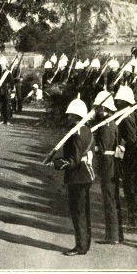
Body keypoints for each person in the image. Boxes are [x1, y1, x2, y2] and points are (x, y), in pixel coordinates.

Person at [50, 97, 95, 256]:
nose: (68, 117)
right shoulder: (87, 129)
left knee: (78, 212)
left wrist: (55, 163)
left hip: (78, 176)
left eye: (71, 115)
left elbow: (73, 161)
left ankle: (81, 246)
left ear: (77, 116)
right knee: (84, 212)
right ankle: (84, 244)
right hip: (86, 175)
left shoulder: (76, 133)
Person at [92, 91, 124, 244]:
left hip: (108, 164)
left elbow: (103, 149)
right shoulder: (113, 124)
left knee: (109, 199)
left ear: (103, 108)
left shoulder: (105, 126)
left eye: (98, 108)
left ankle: (112, 236)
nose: (97, 111)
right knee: (113, 199)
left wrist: (93, 150)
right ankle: (117, 235)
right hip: (113, 163)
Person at [114, 85, 137, 231]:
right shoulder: (134, 114)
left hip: (129, 157)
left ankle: (135, 219)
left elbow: (132, 137)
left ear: (125, 101)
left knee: (130, 187)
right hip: (135, 156)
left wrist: (121, 145)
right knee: (134, 186)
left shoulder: (125, 116)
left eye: (119, 100)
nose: (116, 102)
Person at [0, 57, 14, 125]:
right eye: (1, 64)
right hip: (0, 91)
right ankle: (2, 119)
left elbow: (12, 82)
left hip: (6, 91)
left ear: (5, 64)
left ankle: (7, 120)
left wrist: (12, 90)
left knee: (7, 106)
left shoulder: (8, 73)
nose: (1, 65)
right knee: (1, 106)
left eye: (2, 64)